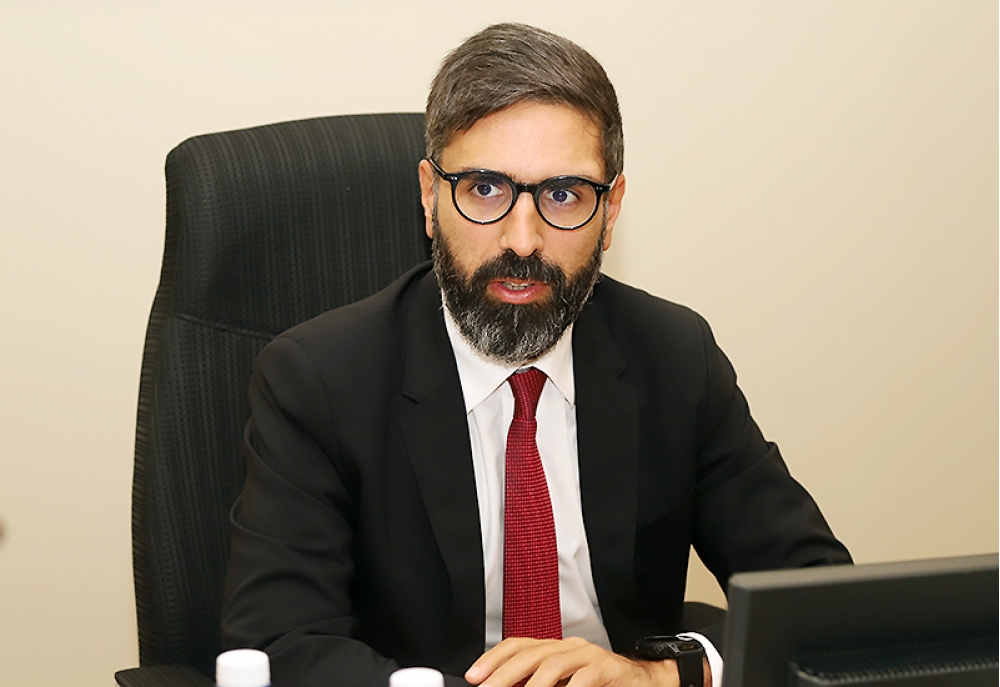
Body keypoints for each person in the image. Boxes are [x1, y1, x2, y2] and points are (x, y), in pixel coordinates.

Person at [221, 22, 851, 687]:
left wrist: (659, 677)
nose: (522, 241)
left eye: (563, 194)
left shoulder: (673, 358)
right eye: (485, 189)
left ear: (611, 211)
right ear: (431, 196)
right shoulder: (319, 380)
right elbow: (280, 644)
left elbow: (820, 602)